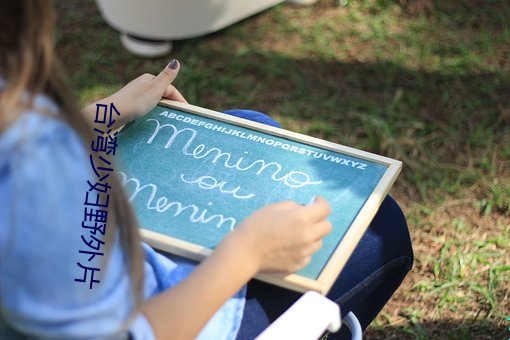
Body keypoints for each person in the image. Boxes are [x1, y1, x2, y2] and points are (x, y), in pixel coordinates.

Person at [0, 2, 413, 339]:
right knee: (381, 226)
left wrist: (103, 115)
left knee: (247, 124)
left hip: (107, 253)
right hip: (168, 309)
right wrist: (246, 252)